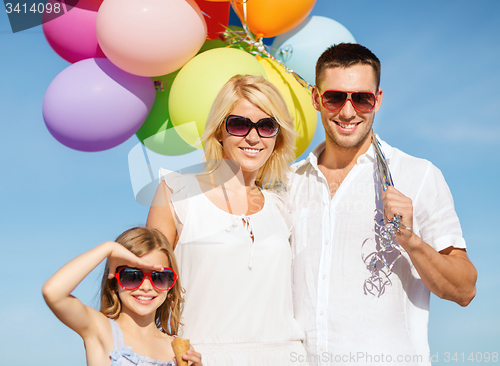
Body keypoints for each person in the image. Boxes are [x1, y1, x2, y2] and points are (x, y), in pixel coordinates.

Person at [287, 43, 477, 365]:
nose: (348, 112)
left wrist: (411, 241)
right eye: (335, 97)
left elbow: (464, 289)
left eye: (362, 98)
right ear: (316, 99)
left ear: (378, 100)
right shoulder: (289, 182)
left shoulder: (418, 175)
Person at [146, 74, 309, 365]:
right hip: (202, 358)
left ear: (278, 136)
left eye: (267, 125)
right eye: (239, 124)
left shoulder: (284, 206)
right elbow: (146, 287)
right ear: (220, 131)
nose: (253, 136)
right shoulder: (176, 192)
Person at [42, 227, 203, 366]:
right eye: (132, 276)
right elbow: (53, 292)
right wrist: (108, 249)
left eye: (159, 278)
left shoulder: (177, 349)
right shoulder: (100, 329)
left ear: (170, 285)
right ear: (114, 281)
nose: (146, 287)